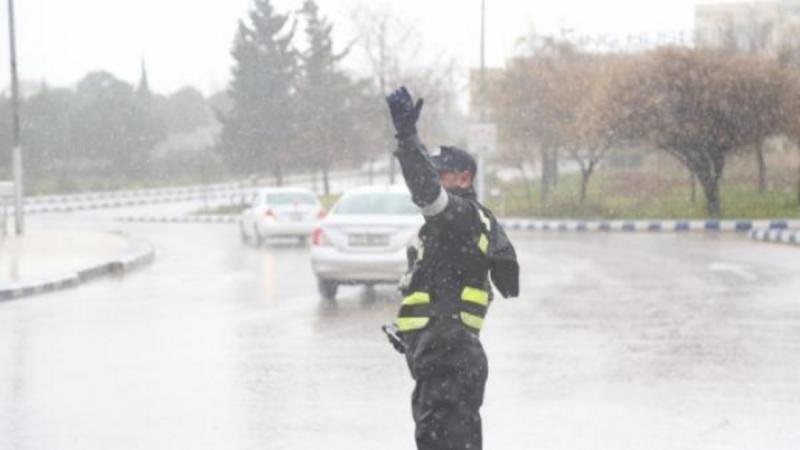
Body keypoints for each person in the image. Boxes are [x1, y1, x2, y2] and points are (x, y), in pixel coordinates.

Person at [384, 87, 520, 450]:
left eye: (439, 174)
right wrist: (411, 331)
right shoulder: (452, 228)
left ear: (464, 178)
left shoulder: (461, 217)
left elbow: (426, 192)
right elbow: (442, 289)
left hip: (449, 360)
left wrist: (407, 139)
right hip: (444, 360)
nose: (432, 179)